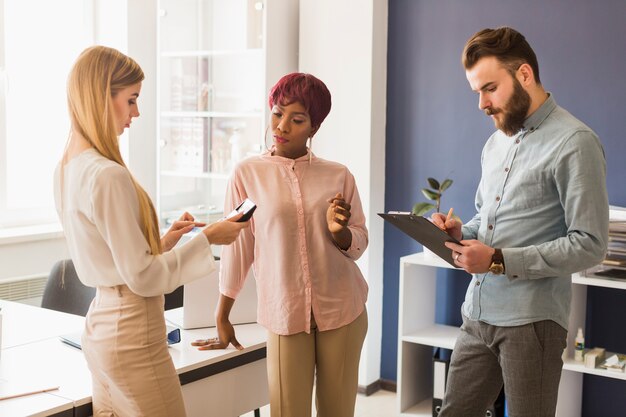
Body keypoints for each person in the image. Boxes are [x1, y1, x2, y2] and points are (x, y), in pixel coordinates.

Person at [54, 45, 248, 417]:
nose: (136, 112)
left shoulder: (65, 170)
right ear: (101, 96)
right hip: (132, 334)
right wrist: (209, 238)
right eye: (131, 100)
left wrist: (164, 243)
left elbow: (115, 261)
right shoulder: (107, 175)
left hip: (100, 329)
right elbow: (142, 278)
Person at [432, 27, 609, 417]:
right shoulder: (495, 143)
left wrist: (497, 260)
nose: (481, 103)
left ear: (524, 74)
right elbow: (487, 220)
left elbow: (590, 243)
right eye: (476, 92)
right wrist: (463, 233)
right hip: (477, 313)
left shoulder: (575, 142)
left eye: (490, 88)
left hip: (533, 324)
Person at [191, 73, 369, 417]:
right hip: (285, 313)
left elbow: (359, 241)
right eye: (277, 113)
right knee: (288, 411)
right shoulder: (247, 173)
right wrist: (222, 313)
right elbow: (237, 247)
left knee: (338, 412)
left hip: (344, 309)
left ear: (313, 128)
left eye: (297, 119)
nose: (282, 125)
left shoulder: (339, 175)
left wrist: (339, 232)